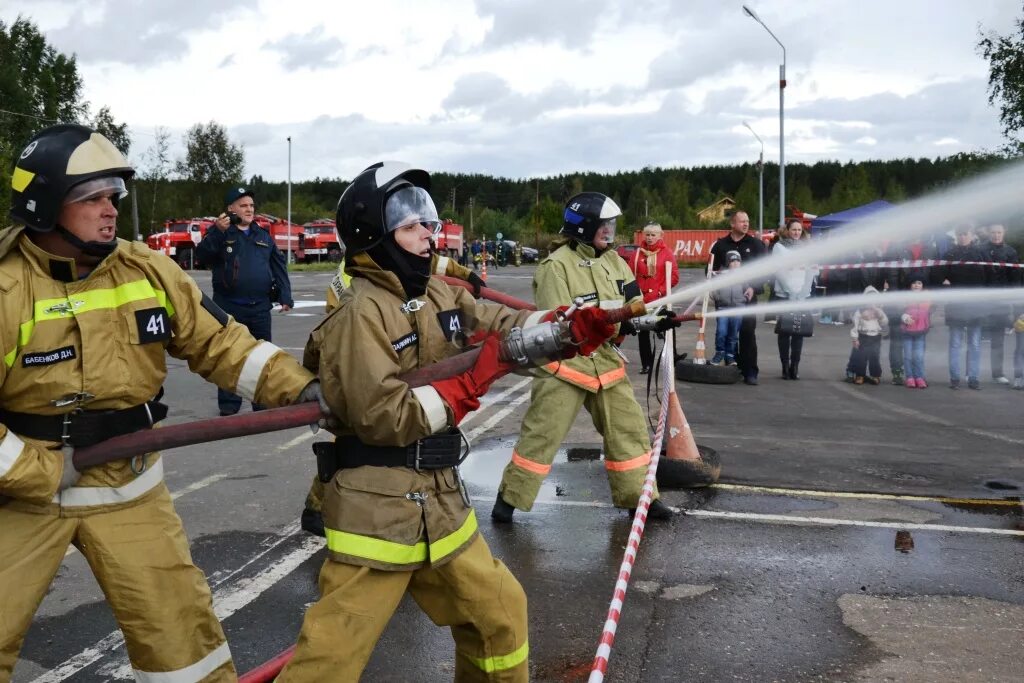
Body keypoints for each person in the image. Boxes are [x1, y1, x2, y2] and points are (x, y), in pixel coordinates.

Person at [0, 124, 320, 681]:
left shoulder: (147, 269)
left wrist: (301, 387)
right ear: (45, 205)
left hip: (131, 491)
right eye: (92, 199)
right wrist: (37, 472)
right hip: (24, 498)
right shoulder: (4, 287)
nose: (110, 211)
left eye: (113, 198)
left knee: (184, 646)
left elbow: (220, 343)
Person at [279, 162, 616, 681]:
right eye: (411, 226)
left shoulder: (439, 293)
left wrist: (565, 327)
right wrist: (467, 384)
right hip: (377, 512)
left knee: (500, 618)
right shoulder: (358, 316)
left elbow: (501, 325)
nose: (427, 236)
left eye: (428, 224)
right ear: (374, 235)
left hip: (440, 505)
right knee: (330, 662)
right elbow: (382, 416)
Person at [492, 192, 678, 524]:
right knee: (542, 435)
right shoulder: (555, 266)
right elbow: (560, 322)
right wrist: (614, 320)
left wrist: (656, 318)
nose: (611, 231)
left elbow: (633, 304)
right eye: (604, 225)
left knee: (630, 430)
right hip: (566, 365)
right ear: (583, 227)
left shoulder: (616, 262)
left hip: (605, 363)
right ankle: (509, 501)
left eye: (612, 225)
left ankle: (641, 501)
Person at [300, 249, 485, 537]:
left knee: (368, 437)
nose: (425, 236)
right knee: (359, 440)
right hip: (370, 356)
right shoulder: (353, 286)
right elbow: (345, 327)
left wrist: (466, 275)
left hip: (397, 354)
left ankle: (317, 507)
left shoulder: (397, 255)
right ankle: (316, 507)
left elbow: (436, 260)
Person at [196, 186, 295, 415]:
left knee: (262, 357)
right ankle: (229, 407)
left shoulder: (263, 236)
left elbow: (279, 268)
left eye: (251, 205)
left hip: (259, 308)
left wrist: (285, 296)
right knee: (229, 357)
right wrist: (217, 232)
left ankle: (261, 404)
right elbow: (202, 256)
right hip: (229, 307)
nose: (249, 209)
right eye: (243, 205)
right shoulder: (221, 234)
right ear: (231, 209)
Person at [710, 211, 766, 385]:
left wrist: (753, 287)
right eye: (742, 221)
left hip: (747, 301)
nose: (746, 224)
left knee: (747, 333)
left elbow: (765, 270)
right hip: (725, 301)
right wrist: (713, 289)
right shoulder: (720, 246)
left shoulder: (756, 245)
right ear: (732, 223)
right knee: (725, 334)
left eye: (748, 221)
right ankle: (732, 367)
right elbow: (711, 271)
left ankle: (750, 371)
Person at [941, 224, 988, 390]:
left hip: (976, 305)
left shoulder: (981, 254)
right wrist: (944, 284)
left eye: (965, 234)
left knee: (974, 344)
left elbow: (988, 277)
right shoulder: (949, 254)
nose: (962, 237)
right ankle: (955, 378)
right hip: (956, 305)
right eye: (959, 234)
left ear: (972, 234)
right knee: (955, 343)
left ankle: (973, 378)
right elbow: (939, 276)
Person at [628, 221, 679, 373]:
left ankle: (672, 358)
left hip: (659, 299)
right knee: (642, 332)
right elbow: (628, 275)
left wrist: (659, 292)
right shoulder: (636, 253)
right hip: (641, 299)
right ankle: (647, 364)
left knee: (667, 328)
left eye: (653, 235)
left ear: (660, 235)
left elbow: (674, 277)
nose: (649, 238)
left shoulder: (667, 253)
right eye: (647, 235)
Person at [772, 220, 818, 380]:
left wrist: (803, 291)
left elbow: (812, 271)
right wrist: (790, 292)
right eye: (794, 229)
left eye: (799, 230)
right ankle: (784, 365)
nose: (797, 232)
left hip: (802, 297)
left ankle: (795, 366)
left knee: (799, 331)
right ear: (788, 230)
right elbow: (778, 270)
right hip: (785, 296)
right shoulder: (779, 247)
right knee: (785, 331)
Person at [981, 224, 1020, 384]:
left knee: (998, 340)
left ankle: (997, 374)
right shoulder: (980, 250)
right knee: (974, 339)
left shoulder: (1010, 252)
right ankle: (971, 374)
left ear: (1004, 233)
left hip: (1001, 302)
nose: (996, 235)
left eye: (999, 232)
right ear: (988, 233)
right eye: (993, 232)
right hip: (982, 301)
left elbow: (1015, 277)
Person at [710, 250, 746, 365]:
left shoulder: (744, 275)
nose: (735, 263)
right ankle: (719, 352)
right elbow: (713, 289)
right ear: (727, 263)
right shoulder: (720, 275)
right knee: (721, 332)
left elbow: (748, 289)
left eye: (737, 261)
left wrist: (744, 299)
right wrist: (717, 297)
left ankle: (730, 356)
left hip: (738, 309)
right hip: (723, 309)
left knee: (733, 334)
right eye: (732, 261)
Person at [849, 288, 888, 385]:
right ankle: (860, 375)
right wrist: (855, 338)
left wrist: (879, 314)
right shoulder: (859, 312)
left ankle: (875, 375)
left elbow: (884, 323)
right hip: (863, 336)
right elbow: (855, 326)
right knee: (861, 357)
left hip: (875, 336)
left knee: (874, 357)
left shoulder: (879, 311)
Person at [900, 278, 932, 388]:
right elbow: (899, 309)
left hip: (921, 331)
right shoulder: (905, 297)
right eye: (913, 283)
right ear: (909, 285)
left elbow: (931, 309)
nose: (916, 285)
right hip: (907, 331)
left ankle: (919, 377)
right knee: (908, 355)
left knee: (918, 356)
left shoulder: (928, 297)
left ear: (923, 285)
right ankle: (910, 377)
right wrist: (904, 317)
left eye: (919, 283)